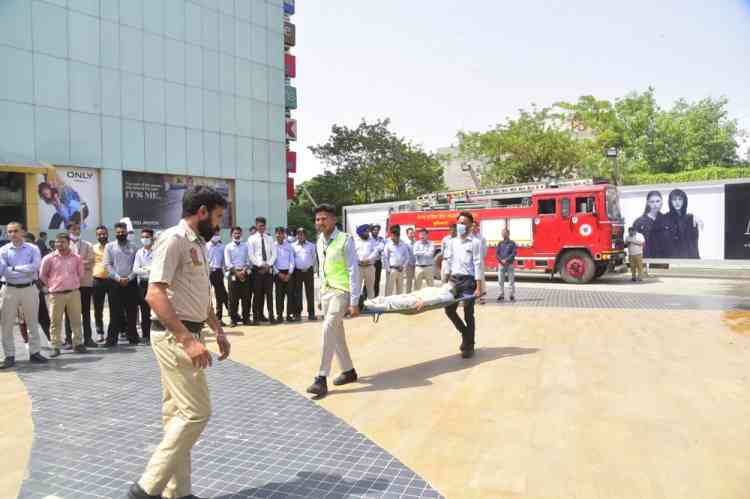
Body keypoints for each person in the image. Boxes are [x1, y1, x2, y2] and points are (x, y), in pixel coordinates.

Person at [128, 186, 230, 499]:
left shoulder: (198, 244)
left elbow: (197, 294)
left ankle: (179, 492)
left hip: (191, 330)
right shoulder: (173, 240)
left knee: (176, 416)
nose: (218, 223)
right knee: (196, 413)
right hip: (175, 336)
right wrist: (187, 340)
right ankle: (145, 490)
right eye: (217, 216)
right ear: (201, 212)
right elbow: (154, 294)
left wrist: (217, 328)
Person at [306, 204, 362, 398]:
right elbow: (321, 270)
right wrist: (320, 296)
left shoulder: (345, 240)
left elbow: (354, 270)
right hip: (327, 293)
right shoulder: (319, 240)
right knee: (337, 335)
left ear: (334, 220)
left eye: (324, 219)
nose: (320, 222)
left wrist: (354, 301)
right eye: (317, 219)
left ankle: (321, 378)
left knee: (328, 329)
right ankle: (348, 371)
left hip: (341, 292)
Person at [0, 222, 48, 369]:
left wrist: (12, 268)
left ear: (23, 232)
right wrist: (22, 270)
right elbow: (3, 270)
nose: (12, 234)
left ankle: (35, 352)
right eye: (9, 232)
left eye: (15, 231)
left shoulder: (33, 248)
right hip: (9, 290)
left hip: (29, 288)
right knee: (6, 324)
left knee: (32, 322)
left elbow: (34, 267)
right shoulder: (2, 250)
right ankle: (9, 355)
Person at [39, 233, 86, 357]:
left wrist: (73, 282)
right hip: (55, 294)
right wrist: (51, 284)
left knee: (76, 320)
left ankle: (78, 344)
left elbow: (80, 274)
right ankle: (55, 346)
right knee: (55, 321)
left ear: (68, 242)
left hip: (73, 293)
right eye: (57, 242)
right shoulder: (48, 258)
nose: (59, 244)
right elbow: (42, 275)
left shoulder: (76, 258)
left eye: (62, 242)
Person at [443, 212, 483, 359]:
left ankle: (469, 346)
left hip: (468, 282)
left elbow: (478, 265)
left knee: (468, 312)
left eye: (464, 223)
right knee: (449, 310)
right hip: (453, 280)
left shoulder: (475, 243)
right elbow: (448, 262)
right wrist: (446, 281)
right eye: (459, 222)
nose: (461, 225)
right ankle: (467, 335)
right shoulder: (452, 242)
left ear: (471, 225)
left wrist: (478, 287)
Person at [104, 222, 139, 346]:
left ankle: (133, 337)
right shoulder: (109, 246)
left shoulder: (134, 247)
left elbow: (136, 265)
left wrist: (129, 278)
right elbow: (107, 265)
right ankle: (111, 339)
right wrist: (118, 278)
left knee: (131, 311)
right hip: (115, 283)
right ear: (115, 233)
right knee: (115, 312)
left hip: (131, 283)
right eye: (118, 232)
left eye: (122, 232)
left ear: (126, 232)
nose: (120, 234)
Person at [65, 222, 97, 348]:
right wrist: (81, 262)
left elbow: (91, 262)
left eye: (78, 229)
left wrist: (74, 263)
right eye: (73, 229)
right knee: (69, 313)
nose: (76, 231)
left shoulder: (88, 245)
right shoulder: (64, 245)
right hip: (69, 285)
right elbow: (63, 263)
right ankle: (69, 339)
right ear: (68, 230)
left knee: (85, 312)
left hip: (84, 283)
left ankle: (88, 338)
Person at [22, 232, 52, 341]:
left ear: (34, 243)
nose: (26, 245)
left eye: (28, 242)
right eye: (24, 242)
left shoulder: (38, 255)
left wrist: (44, 286)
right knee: (24, 317)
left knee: (43, 315)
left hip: (36, 289)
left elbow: (42, 272)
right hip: (21, 289)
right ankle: (27, 341)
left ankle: (50, 338)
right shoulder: (17, 255)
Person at [248, 217, 277, 325]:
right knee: (257, 295)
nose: (262, 227)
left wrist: (268, 265)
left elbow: (274, 254)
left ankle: (271, 316)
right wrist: (261, 265)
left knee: (269, 294)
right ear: (256, 226)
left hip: (268, 269)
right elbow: (251, 255)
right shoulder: (251, 239)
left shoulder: (269, 238)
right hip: (257, 270)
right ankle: (256, 318)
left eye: (263, 226)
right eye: (260, 226)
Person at [364, 281, 457, 313]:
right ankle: (368, 302)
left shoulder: (449, 295)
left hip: (417, 301)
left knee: (392, 305)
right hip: (414, 295)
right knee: (390, 298)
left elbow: (438, 300)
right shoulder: (441, 288)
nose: (449, 282)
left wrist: (424, 302)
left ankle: (368, 307)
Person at [224, 227, 251, 326]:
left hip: (244, 273)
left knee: (246, 298)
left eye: (239, 233)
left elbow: (248, 261)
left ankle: (246, 318)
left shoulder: (245, 246)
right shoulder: (228, 247)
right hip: (233, 274)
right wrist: (237, 273)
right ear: (231, 235)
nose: (237, 235)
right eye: (235, 233)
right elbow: (228, 263)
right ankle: (233, 319)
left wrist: (243, 271)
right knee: (233, 298)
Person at [664, 188, 702, 259]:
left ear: (684, 201)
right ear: (670, 201)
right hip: (672, 258)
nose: (677, 202)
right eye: (674, 199)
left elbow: (694, 243)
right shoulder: (665, 218)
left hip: (688, 258)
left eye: (680, 199)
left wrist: (697, 260)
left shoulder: (691, 219)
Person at [290, 228, 317, 321]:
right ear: (296, 236)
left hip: (308, 272)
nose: (300, 236)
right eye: (299, 234)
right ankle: (297, 313)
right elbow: (292, 259)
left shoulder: (311, 245)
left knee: (310, 293)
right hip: (297, 272)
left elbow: (314, 258)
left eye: (302, 234)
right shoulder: (292, 246)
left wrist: (311, 268)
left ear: (305, 235)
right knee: (297, 293)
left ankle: (311, 313)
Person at [134, 229, 155, 344]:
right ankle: (146, 335)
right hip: (142, 284)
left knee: (157, 310)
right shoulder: (139, 252)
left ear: (152, 238)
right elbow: (135, 269)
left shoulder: (157, 251)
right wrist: (148, 269)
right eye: (143, 237)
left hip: (154, 283)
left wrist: (145, 269)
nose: (144, 239)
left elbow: (157, 267)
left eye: (147, 237)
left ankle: (156, 335)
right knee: (144, 310)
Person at [633, 190, 667, 259]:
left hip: (663, 260)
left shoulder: (666, 220)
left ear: (661, 202)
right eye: (652, 202)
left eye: (658, 201)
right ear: (648, 203)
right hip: (645, 259)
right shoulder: (639, 222)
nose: (655, 204)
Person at [92, 225, 112, 343]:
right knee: (98, 308)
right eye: (99, 234)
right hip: (97, 280)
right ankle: (100, 332)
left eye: (104, 234)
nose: (102, 236)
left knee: (114, 307)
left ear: (107, 234)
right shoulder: (93, 248)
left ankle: (116, 330)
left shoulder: (112, 246)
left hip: (112, 280)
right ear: (96, 235)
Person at [206, 228, 229, 325]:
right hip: (208, 272)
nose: (216, 235)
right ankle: (205, 318)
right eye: (214, 233)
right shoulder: (205, 246)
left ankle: (218, 318)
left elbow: (224, 261)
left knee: (220, 296)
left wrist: (225, 272)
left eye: (217, 233)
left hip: (218, 272)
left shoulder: (222, 247)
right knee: (206, 296)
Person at [273, 227, 295, 322]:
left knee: (290, 295)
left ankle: (289, 315)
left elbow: (292, 261)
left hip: (288, 273)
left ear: (284, 235)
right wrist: (278, 273)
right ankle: (279, 315)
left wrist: (289, 273)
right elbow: (272, 262)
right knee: (279, 296)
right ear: (275, 234)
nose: (279, 235)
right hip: (278, 274)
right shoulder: (273, 246)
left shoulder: (289, 246)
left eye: (281, 233)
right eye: (277, 233)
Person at [354, 224, 378, 309]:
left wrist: (368, 259)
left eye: (368, 231)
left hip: (370, 267)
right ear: (361, 232)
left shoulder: (372, 241)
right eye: (366, 231)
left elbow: (376, 252)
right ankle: (356, 307)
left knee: (370, 288)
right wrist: (359, 261)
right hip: (359, 267)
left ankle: (371, 307)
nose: (368, 233)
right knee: (357, 288)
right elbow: (352, 254)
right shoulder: (355, 241)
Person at [383, 225, 410, 296]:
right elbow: (385, 258)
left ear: (398, 236)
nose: (392, 238)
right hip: (392, 270)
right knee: (389, 289)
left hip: (400, 270)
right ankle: (387, 304)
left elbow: (407, 257)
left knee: (400, 289)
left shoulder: (403, 245)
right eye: (392, 236)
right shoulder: (388, 245)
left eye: (394, 237)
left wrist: (403, 267)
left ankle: (399, 305)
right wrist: (388, 269)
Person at [496, 228, 517, 301]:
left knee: (511, 281)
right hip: (501, 265)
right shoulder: (500, 243)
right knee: (500, 281)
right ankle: (501, 294)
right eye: (502, 233)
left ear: (508, 234)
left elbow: (514, 253)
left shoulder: (512, 243)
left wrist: (506, 260)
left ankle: (511, 295)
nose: (503, 234)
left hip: (509, 264)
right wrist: (501, 261)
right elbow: (497, 254)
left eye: (505, 233)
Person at [471, 223, 487, 305]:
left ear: (478, 227)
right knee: (471, 280)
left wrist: (480, 259)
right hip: (470, 263)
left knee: (481, 280)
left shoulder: (482, 238)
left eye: (475, 226)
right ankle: (471, 297)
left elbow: (484, 251)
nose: (474, 228)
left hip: (479, 262)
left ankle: (481, 297)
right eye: (472, 226)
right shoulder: (468, 238)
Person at [369, 224, 385, 297]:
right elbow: (370, 249)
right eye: (374, 230)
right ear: (371, 231)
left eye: (377, 230)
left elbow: (382, 248)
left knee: (377, 281)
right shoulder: (368, 239)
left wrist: (375, 249)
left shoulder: (381, 239)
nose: (376, 231)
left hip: (378, 262)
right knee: (369, 281)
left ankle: (376, 297)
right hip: (370, 263)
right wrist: (377, 249)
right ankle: (365, 298)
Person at [403, 227, 417, 293]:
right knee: (409, 282)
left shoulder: (416, 242)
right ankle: (408, 295)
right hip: (409, 265)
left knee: (417, 281)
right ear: (407, 234)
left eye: (413, 233)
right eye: (410, 233)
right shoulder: (405, 243)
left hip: (416, 265)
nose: (412, 234)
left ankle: (416, 295)